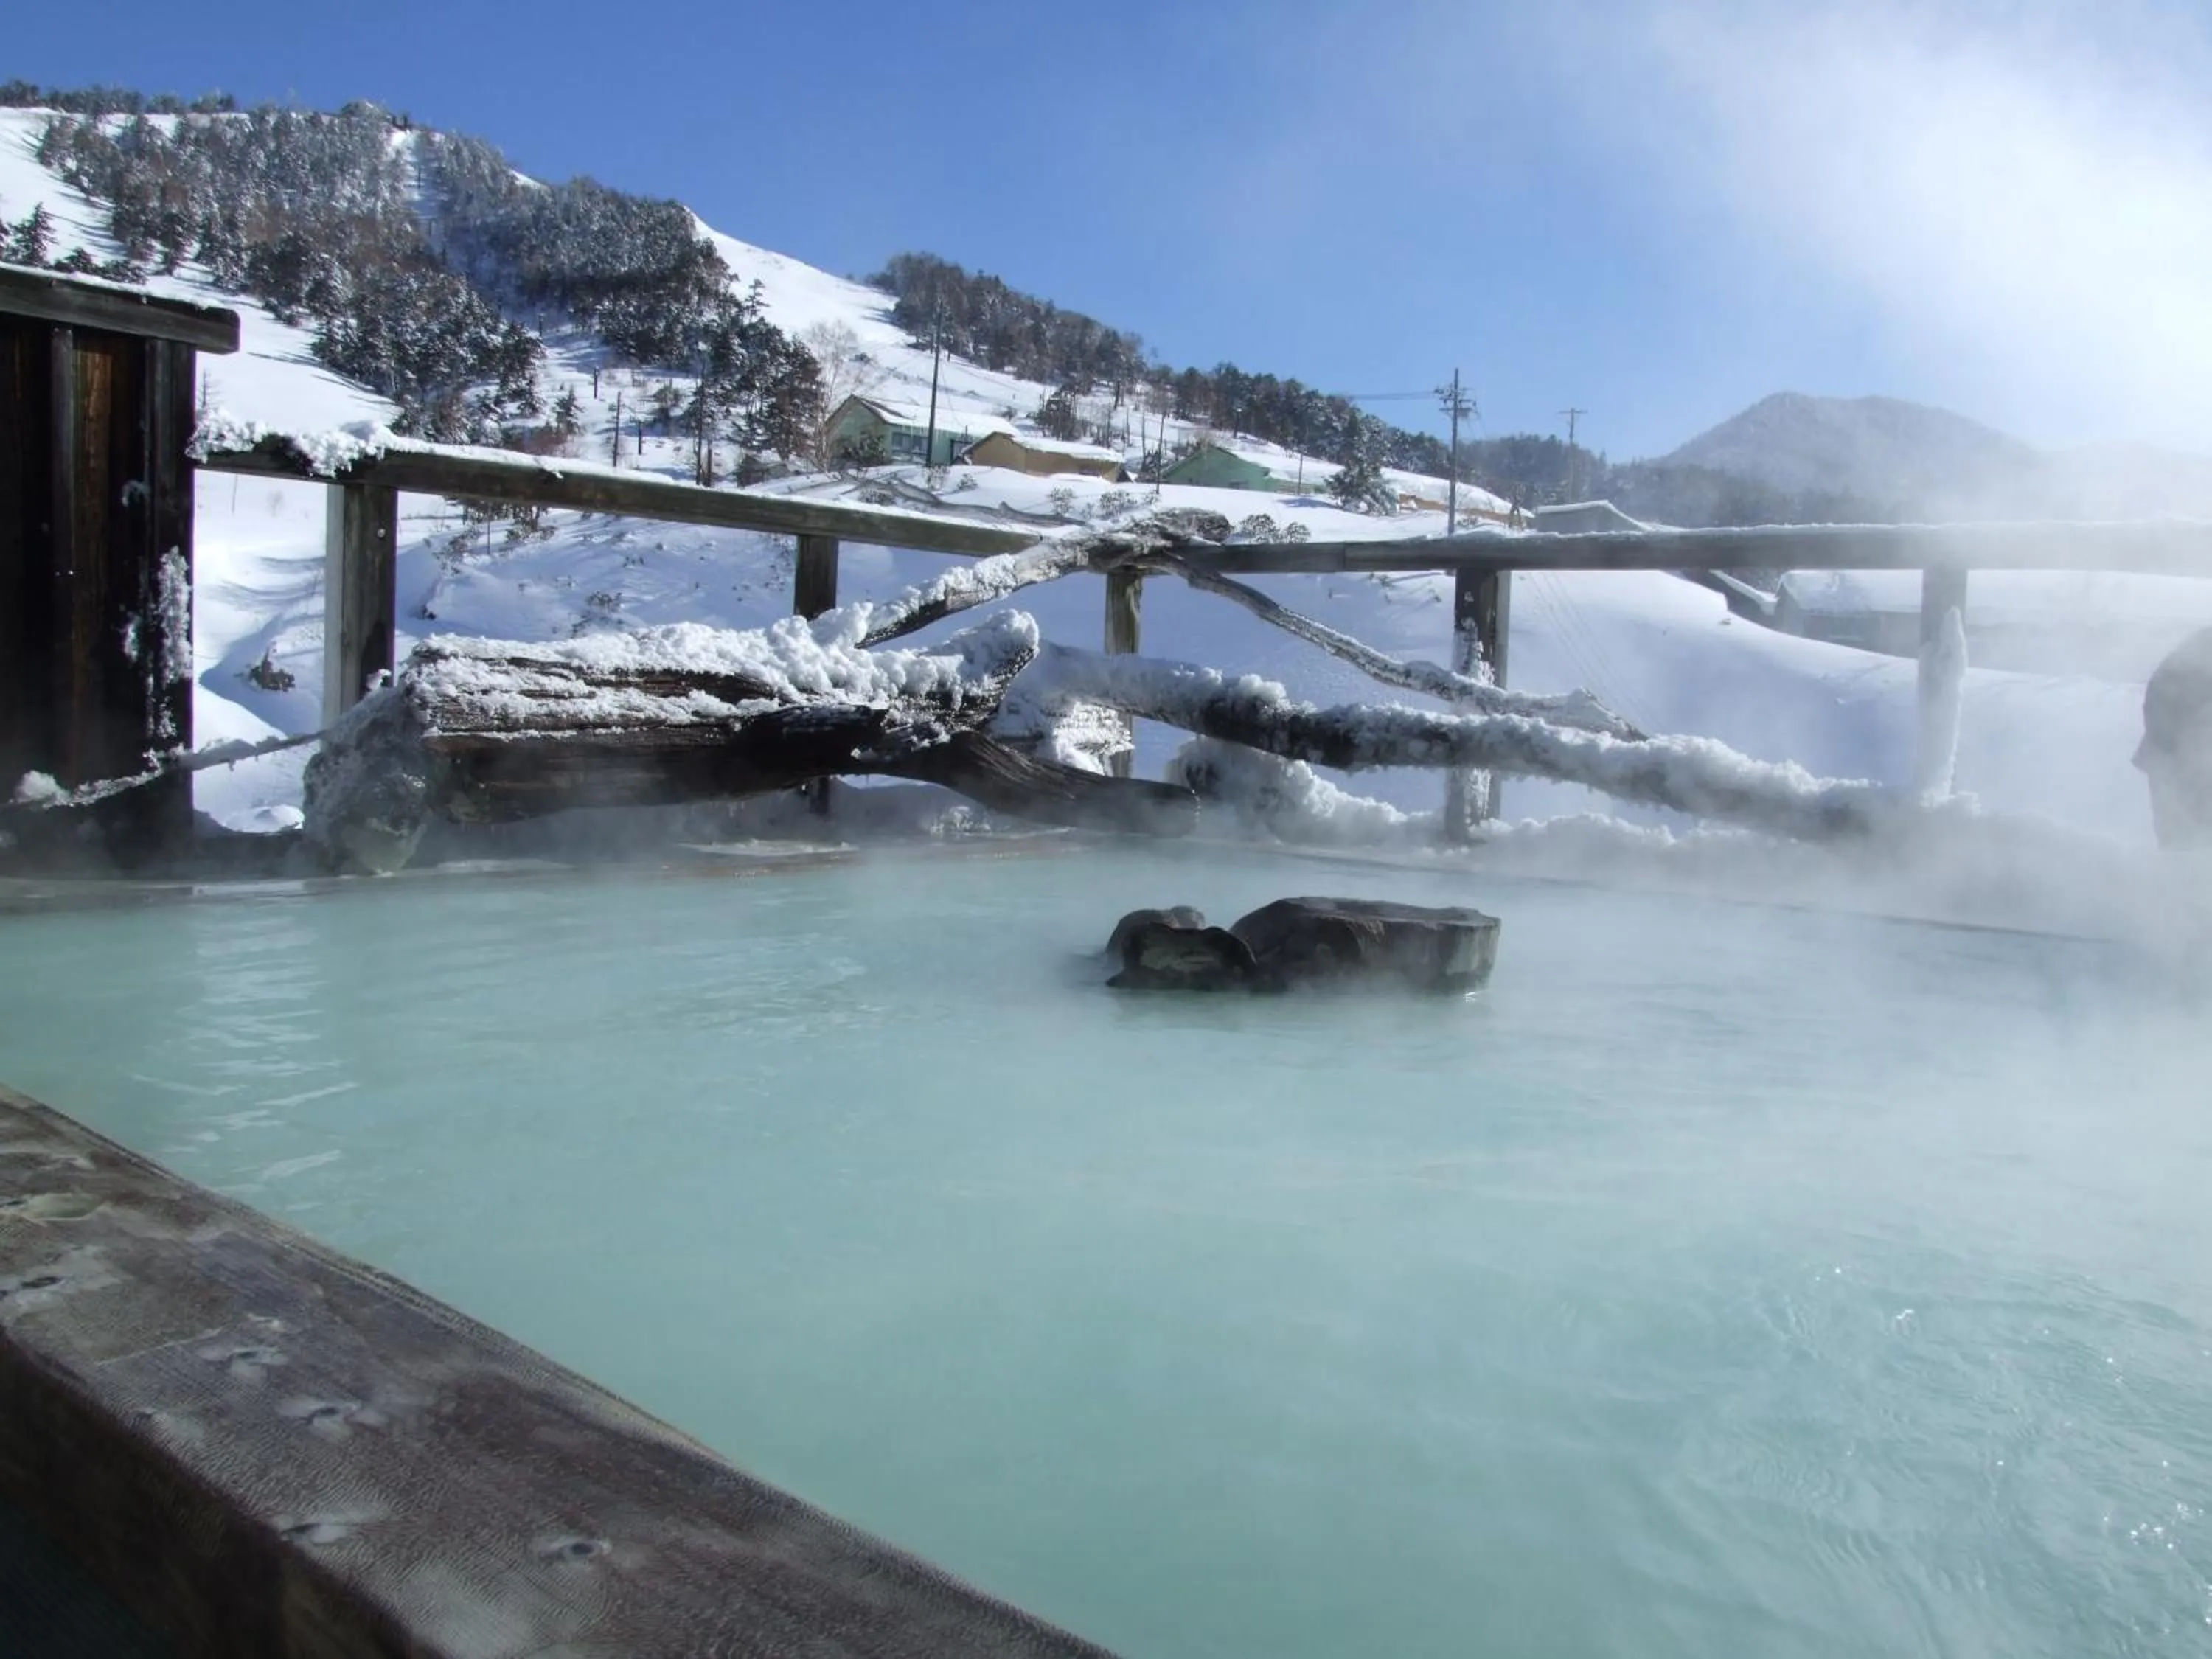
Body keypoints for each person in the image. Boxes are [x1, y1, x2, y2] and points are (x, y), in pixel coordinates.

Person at [2136, 627, 2212, 849]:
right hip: (2175, 762)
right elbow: (2160, 694)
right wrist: (2187, 759)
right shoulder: (2202, 651)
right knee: (2183, 844)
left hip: (2184, 758)